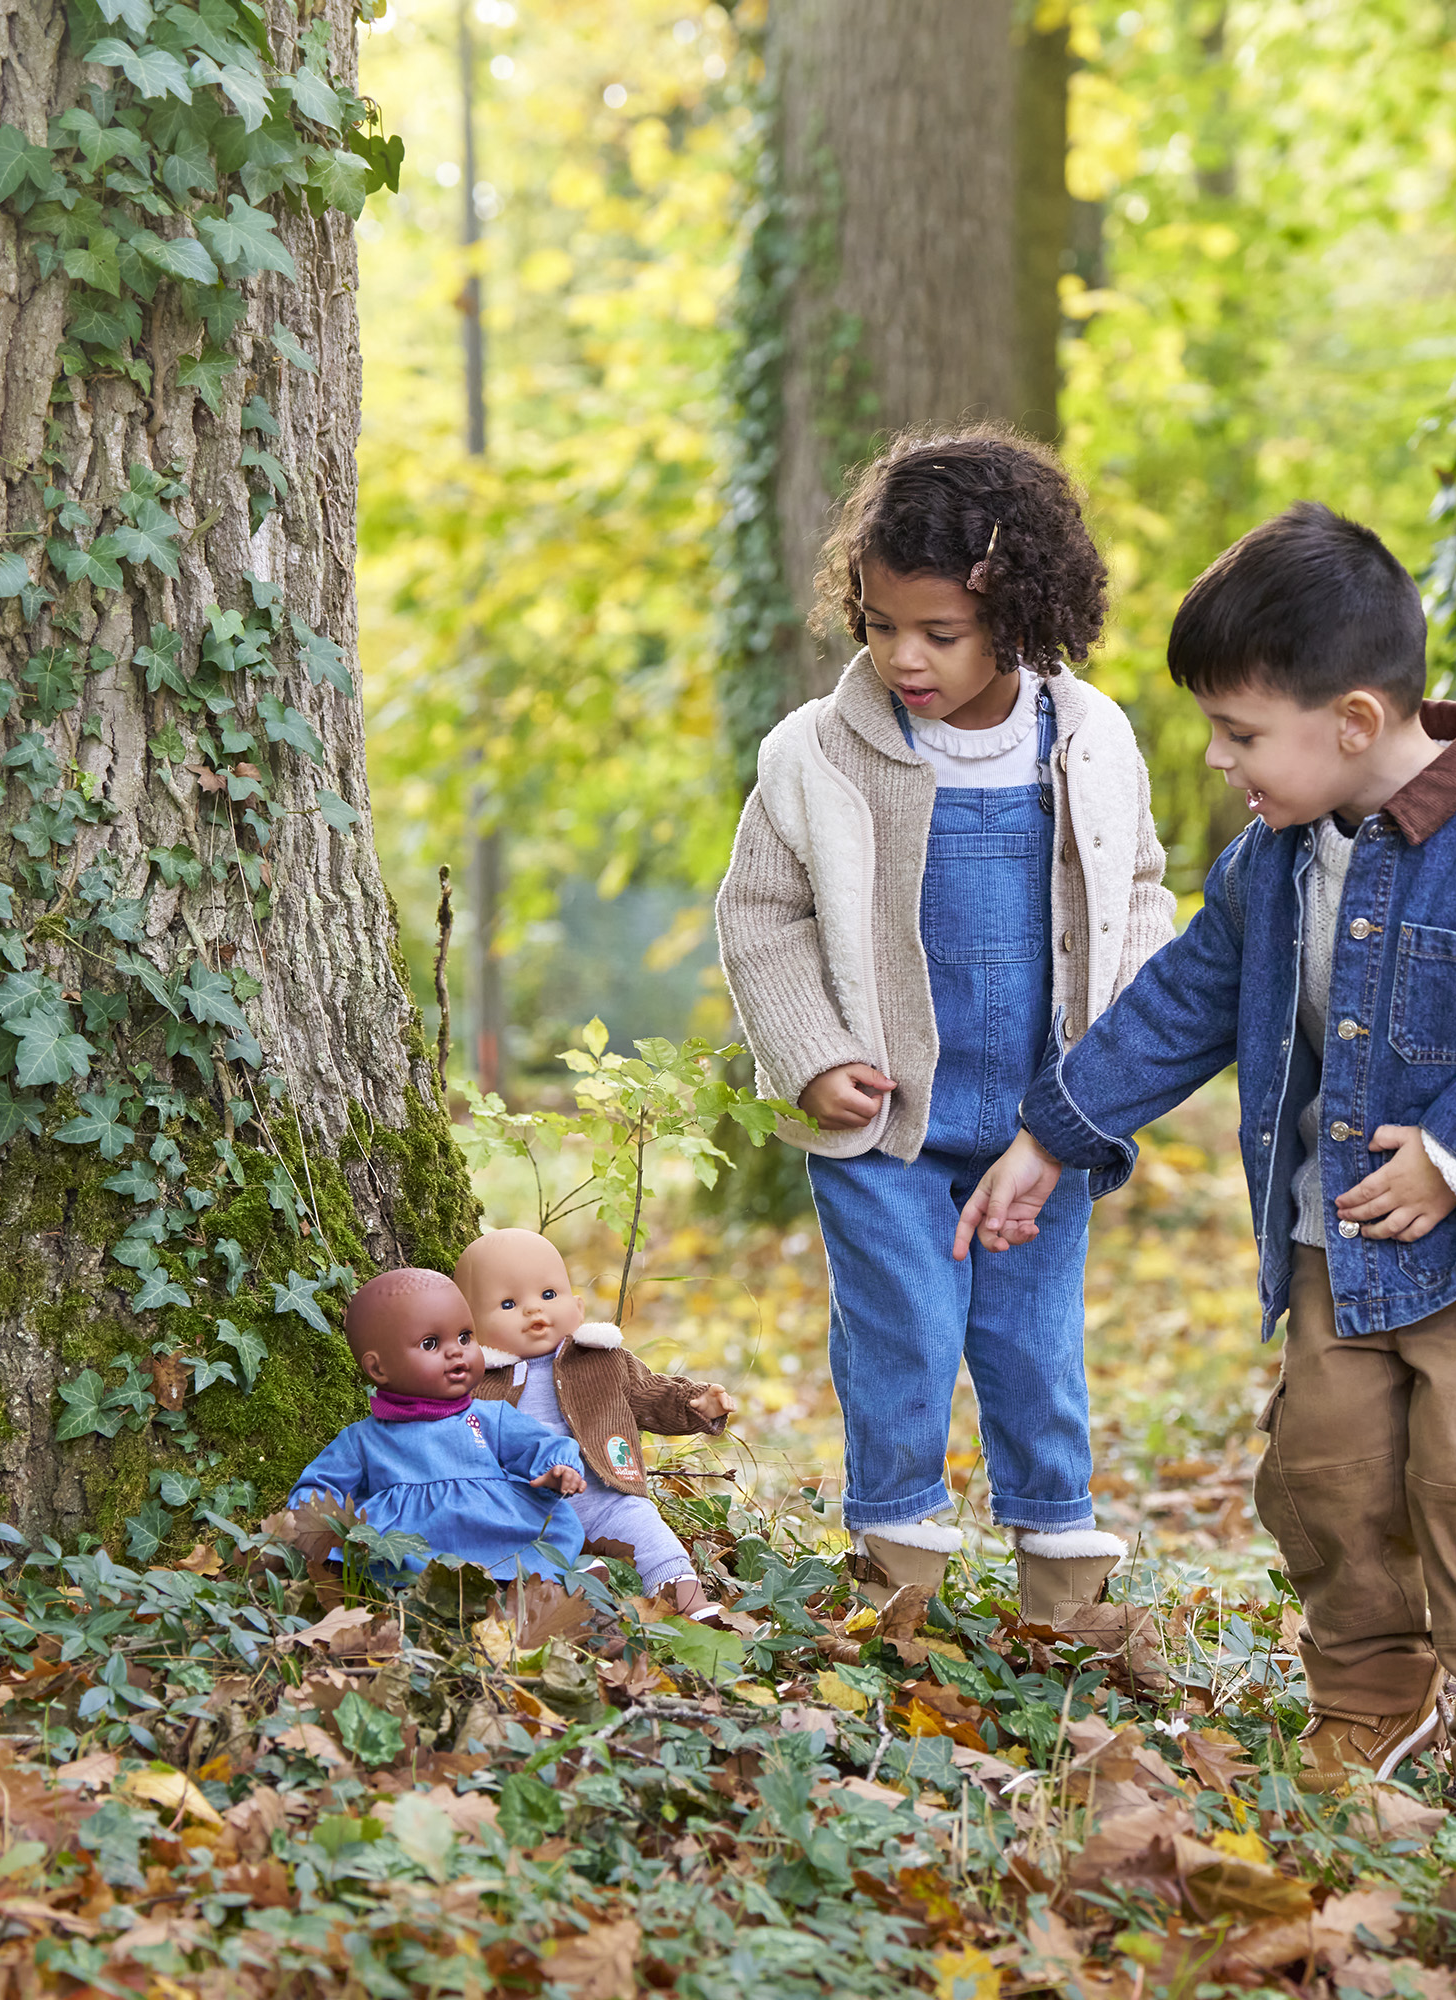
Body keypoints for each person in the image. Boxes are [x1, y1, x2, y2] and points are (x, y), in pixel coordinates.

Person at [957, 501, 1456, 1805]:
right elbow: (1185, 1003)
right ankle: (1367, 1704)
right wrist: (1055, 1132)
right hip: (1335, 1236)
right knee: (1330, 1472)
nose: (1226, 762)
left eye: (1240, 733)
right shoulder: (1273, 861)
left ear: (1351, 722)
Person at [715, 427, 1174, 1621]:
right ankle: (894, 1548)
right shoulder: (817, 752)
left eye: (938, 631)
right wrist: (810, 1055)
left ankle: (1056, 1552)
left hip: (1041, 1115)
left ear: (1019, 613)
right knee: (903, 1327)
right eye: (877, 624)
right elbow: (759, 913)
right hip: (884, 1118)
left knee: (1033, 1338)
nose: (901, 656)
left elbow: (1136, 895)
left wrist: (1101, 1078)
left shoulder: (1086, 740)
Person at [458, 1227, 733, 1617]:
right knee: (522, 1560)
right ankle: (587, 1591)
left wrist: (696, 1403)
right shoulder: (477, 1386)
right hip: (527, 1510)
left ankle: (690, 1603)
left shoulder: (601, 1360)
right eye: (507, 1304)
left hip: (609, 1496)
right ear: (470, 1331)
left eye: (549, 1295)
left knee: (650, 1535)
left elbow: (648, 1394)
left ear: (579, 1307)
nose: (534, 1310)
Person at [287, 1267, 587, 1583]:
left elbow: (537, 1443)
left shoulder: (489, 1417)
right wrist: (313, 1515)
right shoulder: (364, 1439)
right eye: (431, 1343)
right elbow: (319, 1487)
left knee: (545, 1537)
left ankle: (548, 1582)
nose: (456, 1350)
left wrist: (559, 1467)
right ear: (378, 1368)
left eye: (464, 1336)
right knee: (393, 1566)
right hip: (413, 1549)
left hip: (498, 1528)